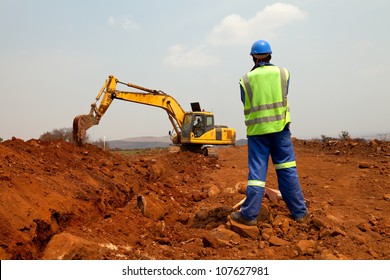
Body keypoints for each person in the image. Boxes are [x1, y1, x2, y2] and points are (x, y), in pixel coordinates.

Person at [230, 39, 308, 226]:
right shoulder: (283, 73)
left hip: (257, 133)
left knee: (257, 175)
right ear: (270, 55)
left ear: (252, 57)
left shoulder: (246, 79)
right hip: (281, 131)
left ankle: (249, 216)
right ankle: (299, 213)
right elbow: (284, 94)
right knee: (287, 170)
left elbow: (245, 101)